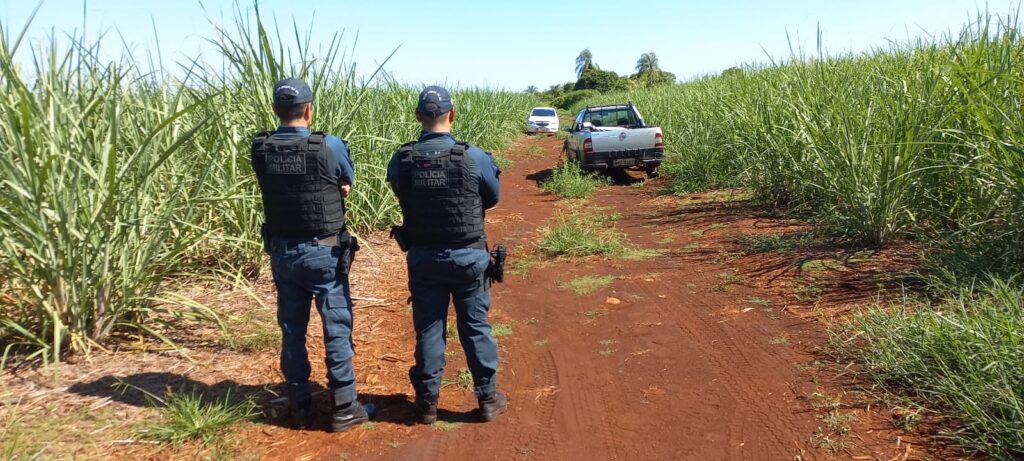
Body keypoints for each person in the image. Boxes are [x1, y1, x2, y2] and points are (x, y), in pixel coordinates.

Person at [251, 77, 370, 432]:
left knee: (291, 329)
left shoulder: (261, 147)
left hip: (283, 251)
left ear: (275, 110)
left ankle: (300, 403)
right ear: (308, 109)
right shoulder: (328, 146)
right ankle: (345, 405)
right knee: (336, 325)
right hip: (325, 250)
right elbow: (345, 183)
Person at [387, 85, 507, 424]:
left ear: (417, 117)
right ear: (452, 115)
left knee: (429, 328)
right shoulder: (473, 156)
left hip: (424, 256)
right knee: (475, 327)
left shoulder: (402, 159)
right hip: (468, 256)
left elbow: (401, 193)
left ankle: (426, 404)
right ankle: (487, 398)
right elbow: (493, 196)